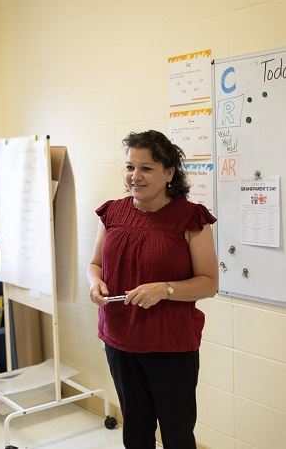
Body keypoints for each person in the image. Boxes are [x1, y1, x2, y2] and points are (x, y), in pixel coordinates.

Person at [87, 130, 218, 449]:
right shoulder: (112, 213)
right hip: (119, 339)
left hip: (170, 345)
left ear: (169, 172)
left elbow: (209, 283)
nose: (135, 176)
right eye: (130, 167)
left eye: (146, 168)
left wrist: (165, 289)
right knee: (135, 428)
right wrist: (95, 283)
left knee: (176, 432)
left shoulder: (190, 218)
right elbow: (94, 265)